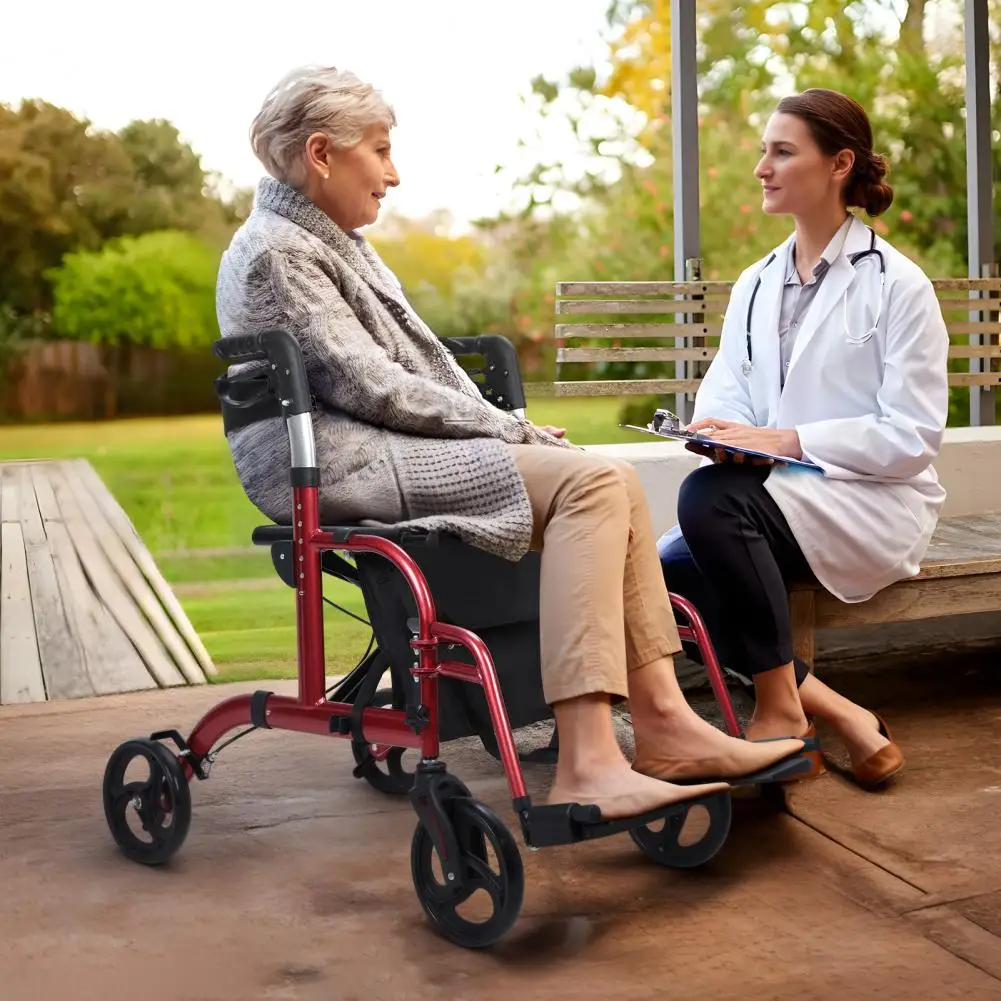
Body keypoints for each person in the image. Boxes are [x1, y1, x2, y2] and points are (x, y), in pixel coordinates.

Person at [216, 65, 805, 824]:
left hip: (374, 445)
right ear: (322, 153)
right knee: (589, 486)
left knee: (606, 477)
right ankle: (588, 760)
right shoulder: (279, 251)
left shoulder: (325, 240)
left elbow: (405, 372)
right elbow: (374, 386)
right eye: (381, 150)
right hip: (340, 462)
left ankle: (663, 725)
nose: (393, 174)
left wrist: (516, 431)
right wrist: (506, 427)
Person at [658, 88, 949, 789]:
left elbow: (910, 437)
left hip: (871, 498)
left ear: (838, 163)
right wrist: (721, 432)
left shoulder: (898, 285)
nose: (761, 166)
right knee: (669, 569)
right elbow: (726, 390)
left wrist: (785, 440)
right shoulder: (757, 283)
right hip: (776, 490)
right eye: (764, 150)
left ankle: (778, 711)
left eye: (781, 151)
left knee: (707, 504)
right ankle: (833, 711)